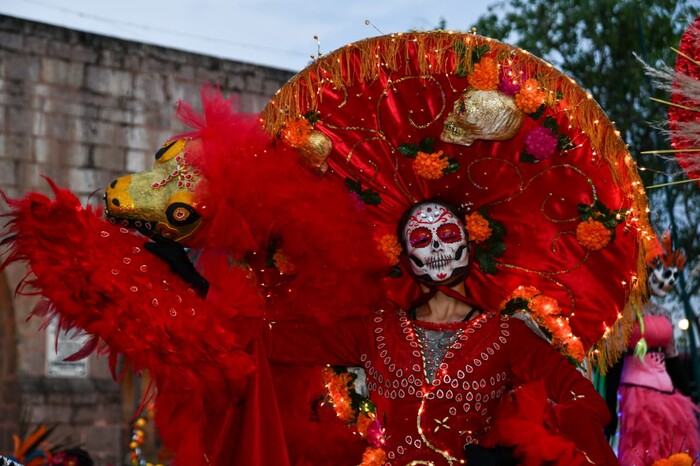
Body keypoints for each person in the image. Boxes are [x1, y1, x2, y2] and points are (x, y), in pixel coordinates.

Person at [267, 200, 618, 466]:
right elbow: (278, 340)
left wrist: (521, 439)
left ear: (470, 243)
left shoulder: (507, 336)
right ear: (405, 256)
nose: (436, 247)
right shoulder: (376, 329)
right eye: (422, 238)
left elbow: (586, 403)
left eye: (447, 235)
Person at [615, 235, 700, 465]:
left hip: (669, 394)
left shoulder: (664, 312)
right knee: (644, 450)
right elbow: (614, 359)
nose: (670, 279)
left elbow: (672, 360)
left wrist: (691, 398)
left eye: (674, 274)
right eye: (664, 271)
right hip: (637, 394)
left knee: (674, 447)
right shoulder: (625, 311)